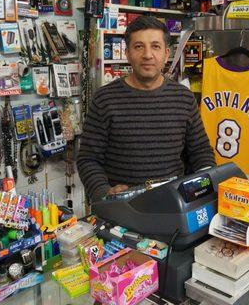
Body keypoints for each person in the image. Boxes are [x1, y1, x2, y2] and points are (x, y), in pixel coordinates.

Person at [77, 16, 215, 202]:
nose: (148, 55)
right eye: (139, 46)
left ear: (167, 54)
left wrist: (205, 187)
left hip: (173, 205)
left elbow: (201, 152)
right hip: (122, 209)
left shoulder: (184, 98)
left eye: (155, 46)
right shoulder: (104, 99)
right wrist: (103, 191)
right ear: (127, 53)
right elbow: (88, 159)